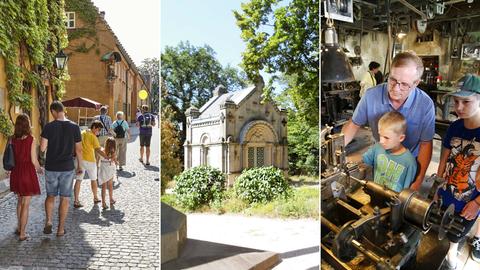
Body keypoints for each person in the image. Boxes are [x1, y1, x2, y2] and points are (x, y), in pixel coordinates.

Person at [343, 51, 435, 191]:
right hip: (381, 156)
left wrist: (416, 183)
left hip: (409, 162)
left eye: (404, 84)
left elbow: (425, 144)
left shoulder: (425, 104)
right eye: (392, 80)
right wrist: (336, 152)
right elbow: (354, 124)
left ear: (416, 83)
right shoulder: (371, 96)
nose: (395, 88)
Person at [436, 74, 480, 269]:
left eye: (466, 101)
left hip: (471, 197)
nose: (459, 107)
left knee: (460, 229)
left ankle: (453, 251)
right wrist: (437, 185)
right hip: (448, 188)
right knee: (443, 221)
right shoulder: (454, 127)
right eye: (456, 101)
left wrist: (478, 202)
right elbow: (444, 158)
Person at [40, 101, 82, 237]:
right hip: (67, 167)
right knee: (65, 198)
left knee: (50, 196)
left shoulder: (49, 127)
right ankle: (60, 229)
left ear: (53, 111)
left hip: (51, 166)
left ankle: (49, 221)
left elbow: (42, 148)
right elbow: (79, 150)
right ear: (63, 111)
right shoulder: (75, 127)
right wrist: (80, 166)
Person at [362, 111, 417, 192]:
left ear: (401, 138)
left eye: (386, 138)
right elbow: (363, 161)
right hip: (375, 193)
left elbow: (406, 192)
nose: (381, 141)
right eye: (380, 135)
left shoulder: (409, 162)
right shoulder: (377, 147)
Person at [8, 114, 43, 241]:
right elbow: (34, 160)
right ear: (27, 124)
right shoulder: (31, 139)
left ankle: (19, 227)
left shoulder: (12, 139)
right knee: (26, 204)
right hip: (27, 173)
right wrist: (40, 170)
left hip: (16, 172)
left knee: (19, 201)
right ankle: (22, 233)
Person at [73, 121, 109, 208]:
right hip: (90, 161)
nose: (98, 132)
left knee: (78, 180)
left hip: (79, 160)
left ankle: (76, 200)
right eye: (98, 130)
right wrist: (107, 157)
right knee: (93, 179)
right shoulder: (93, 137)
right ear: (94, 128)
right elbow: (98, 150)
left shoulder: (82, 133)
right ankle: (95, 197)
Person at [98, 137, 118, 210]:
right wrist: (116, 161)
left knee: (103, 187)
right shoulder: (113, 152)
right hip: (110, 168)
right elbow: (115, 161)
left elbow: (98, 159)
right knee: (110, 186)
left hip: (103, 167)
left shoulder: (102, 150)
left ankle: (103, 203)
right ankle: (111, 199)